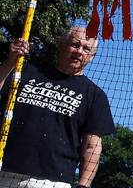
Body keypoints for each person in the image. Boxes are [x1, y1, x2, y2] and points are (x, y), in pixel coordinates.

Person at [0, 27, 114, 188]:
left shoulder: (95, 96)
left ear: (91, 57)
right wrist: (10, 60)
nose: (79, 51)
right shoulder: (26, 70)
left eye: (86, 48)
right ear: (61, 45)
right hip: (4, 171)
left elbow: (92, 146)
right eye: (75, 44)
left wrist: (84, 185)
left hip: (52, 181)